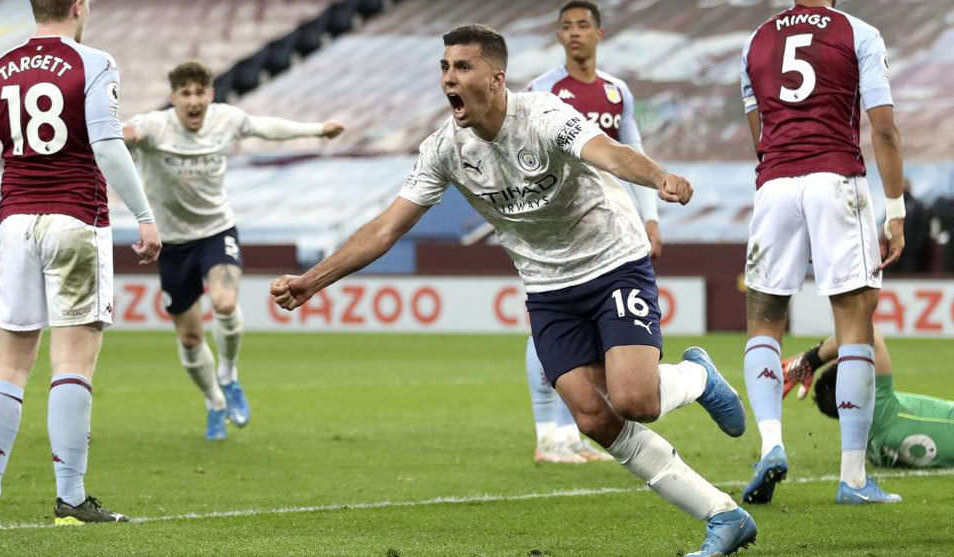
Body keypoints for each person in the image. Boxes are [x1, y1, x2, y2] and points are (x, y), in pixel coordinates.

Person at [272, 25, 756, 556]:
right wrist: (311, 281)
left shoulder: (544, 115)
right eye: (444, 67)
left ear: (496, 78)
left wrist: (657, 177)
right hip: (548, 287)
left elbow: (610, 152)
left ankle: (696, 376)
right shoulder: (444, 150)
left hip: (613, 260)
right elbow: (386, 229)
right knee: (594, 418)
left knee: (635, 399)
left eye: (462, 67)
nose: (448, 79)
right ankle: (722, 515)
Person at [0, 0, 161, 524]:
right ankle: (70, 499)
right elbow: (107, 144)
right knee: (72, 364)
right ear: (78, 6)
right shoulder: (94, 63)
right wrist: (144, 216)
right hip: (75, 220)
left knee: (7, 366)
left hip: (15, 224)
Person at [739, 0, 906, 505]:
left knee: (764, 320)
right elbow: (883, 129)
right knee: (856, 322)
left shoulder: (756, 39)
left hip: (775, 187)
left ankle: (770, 444)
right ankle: (853, 479)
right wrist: (895, 208)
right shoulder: (859, 33)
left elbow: (759, 134)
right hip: (835, 179)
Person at [122, 61, 344, 440]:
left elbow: (265, 127)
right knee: (190, 338)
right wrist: (119, 135)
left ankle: (228, 374)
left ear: (210, 94)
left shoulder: (225, 119)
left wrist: (318, 131)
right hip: (173, 244)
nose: (194, 101)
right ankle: (214, 403)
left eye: (200, 93)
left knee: (224, 303)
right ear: (173, 97)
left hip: (216, 231)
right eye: (186, 94)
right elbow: (125, 134)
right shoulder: (155, 126)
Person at [521, 0, 661, 464]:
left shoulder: (617, 92)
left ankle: (568, 434)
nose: (575, 32)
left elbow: (630, 149)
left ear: (600, 34)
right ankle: (547, 434)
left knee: (589, 336)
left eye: (584, 25)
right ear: (558, 36)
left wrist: (651, 217)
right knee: (550, 324)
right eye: (567, 26)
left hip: (607, 228)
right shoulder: (543, 90)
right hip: (555, 227)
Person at [784, 329, 954, 469]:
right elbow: (866, 330)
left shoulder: (867, 450)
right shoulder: (879, 404)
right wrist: (811, 360)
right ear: (853, 389)